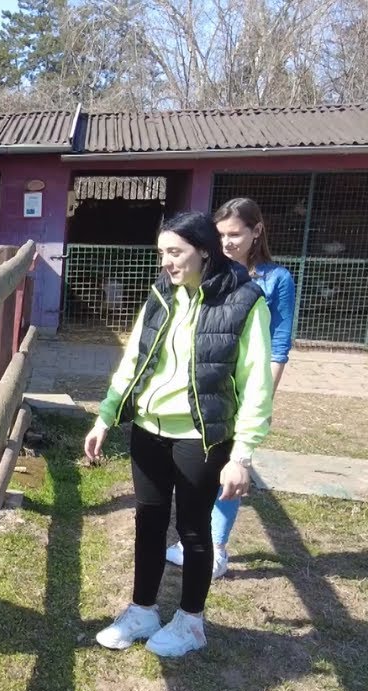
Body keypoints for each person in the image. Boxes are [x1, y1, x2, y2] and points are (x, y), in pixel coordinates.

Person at [85, 210, 273, 657]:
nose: (166, 263)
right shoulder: (161, 294)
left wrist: (241, 455)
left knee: (192, 532)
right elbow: (133, 358)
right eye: (162, 253)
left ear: (204, 250)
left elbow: (257, 386)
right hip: (148, 431)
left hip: (200, 437)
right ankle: (142, 610)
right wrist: (105, 416)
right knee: (148, 523)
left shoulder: (246, 302)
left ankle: (191, 622)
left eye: (175, 252)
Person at [165, 198, 296, 578]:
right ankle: (194, 538)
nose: (226, 242)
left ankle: (217, 547)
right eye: (220, 234)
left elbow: (279, 344)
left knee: (232, 465)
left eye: (235, 234)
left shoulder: (275, 280)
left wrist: (262, 397)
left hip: (245, 389)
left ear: (257, 231)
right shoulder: (211, 271)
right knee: (202, 464)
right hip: (209, 387)